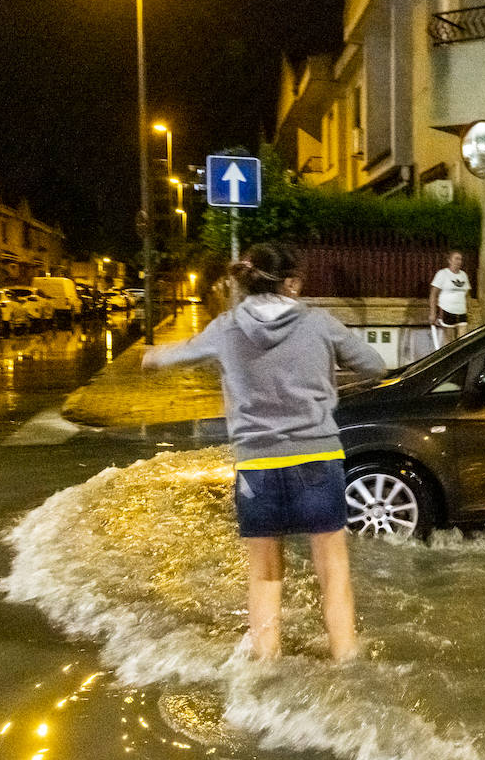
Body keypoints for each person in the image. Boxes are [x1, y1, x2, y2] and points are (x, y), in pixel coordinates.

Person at [142, 243, 387, 660]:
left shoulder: (226, 328)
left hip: (256, 464)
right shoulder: (319, 323)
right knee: (333, 572)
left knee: (265, 577)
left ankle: (266, 667)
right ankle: (347, 662)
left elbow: (171, 357)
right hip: (317, 458)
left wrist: (151, 357)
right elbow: (374, 365)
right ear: (291, 282)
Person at [429, 250, 470, 345]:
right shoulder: (442, 274)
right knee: (449, 341)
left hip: (461, 312)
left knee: (463, 340)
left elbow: (467, 294)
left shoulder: (463, 275)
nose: (458, 261)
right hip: (447, 311)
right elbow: (433, 294)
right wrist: (433, 313)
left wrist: (469, 310)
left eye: (460, 259)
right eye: (456, 258)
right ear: (449, 260)